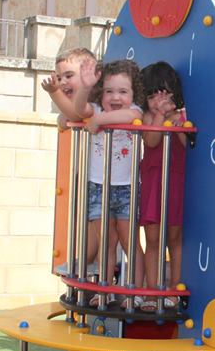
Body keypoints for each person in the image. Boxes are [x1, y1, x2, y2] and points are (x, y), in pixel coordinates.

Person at [50, 58, 146, 299]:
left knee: (130, 242)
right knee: (106, 242)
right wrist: (86, 86)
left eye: (123, 91)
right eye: (109, 91)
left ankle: (134, 293)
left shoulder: (134, 111)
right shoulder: (96, 109)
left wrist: (100, 121)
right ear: (99, 93)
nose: (116, 97)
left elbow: (131, 115)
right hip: (98, 187)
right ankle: (104, 290)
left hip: (127, 188)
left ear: (133, 93)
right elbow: (80, 109)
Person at [139, 62, 189, 311]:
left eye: (164, 93)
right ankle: (152, 291)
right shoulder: (148, 117)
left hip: (176, 180)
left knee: (175, 238)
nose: (159, 100)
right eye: (152, 95)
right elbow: (151, 140)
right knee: (153, 238)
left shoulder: (183, 115)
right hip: (153, 181)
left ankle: (173, 288)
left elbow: (186, 143)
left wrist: (178, 122)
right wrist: (160, 115)